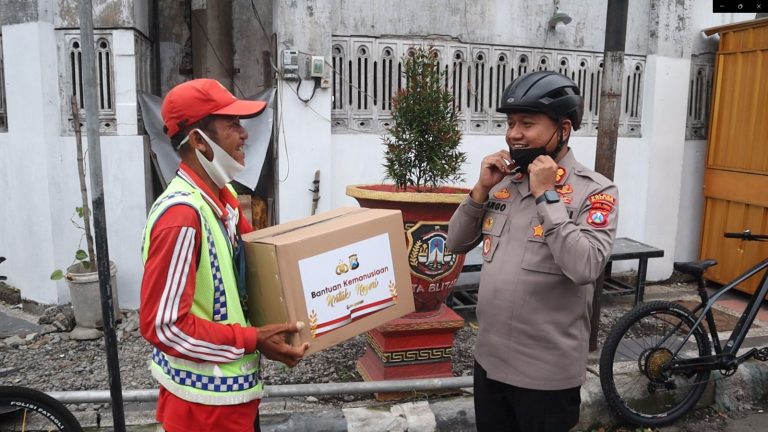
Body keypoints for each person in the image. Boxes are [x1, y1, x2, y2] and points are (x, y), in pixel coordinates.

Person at [446, 71, 619, 432]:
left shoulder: (595, 191)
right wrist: (480, 190)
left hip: (546, 377)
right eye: (510, 123)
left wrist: (547, 196)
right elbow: (456, 243)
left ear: (564, 129)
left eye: (527, 123)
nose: (513, 134)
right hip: (490, 363)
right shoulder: (504, 182)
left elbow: (586, 265)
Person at [139, 78, 309, 432]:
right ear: (199, 141)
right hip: (202, 409)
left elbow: (254, 273)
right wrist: (252, 339)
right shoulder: (182, 217)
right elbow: (164, 326)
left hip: (232, 398)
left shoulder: (222, 198)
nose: (244, 134)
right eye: (232, 124)